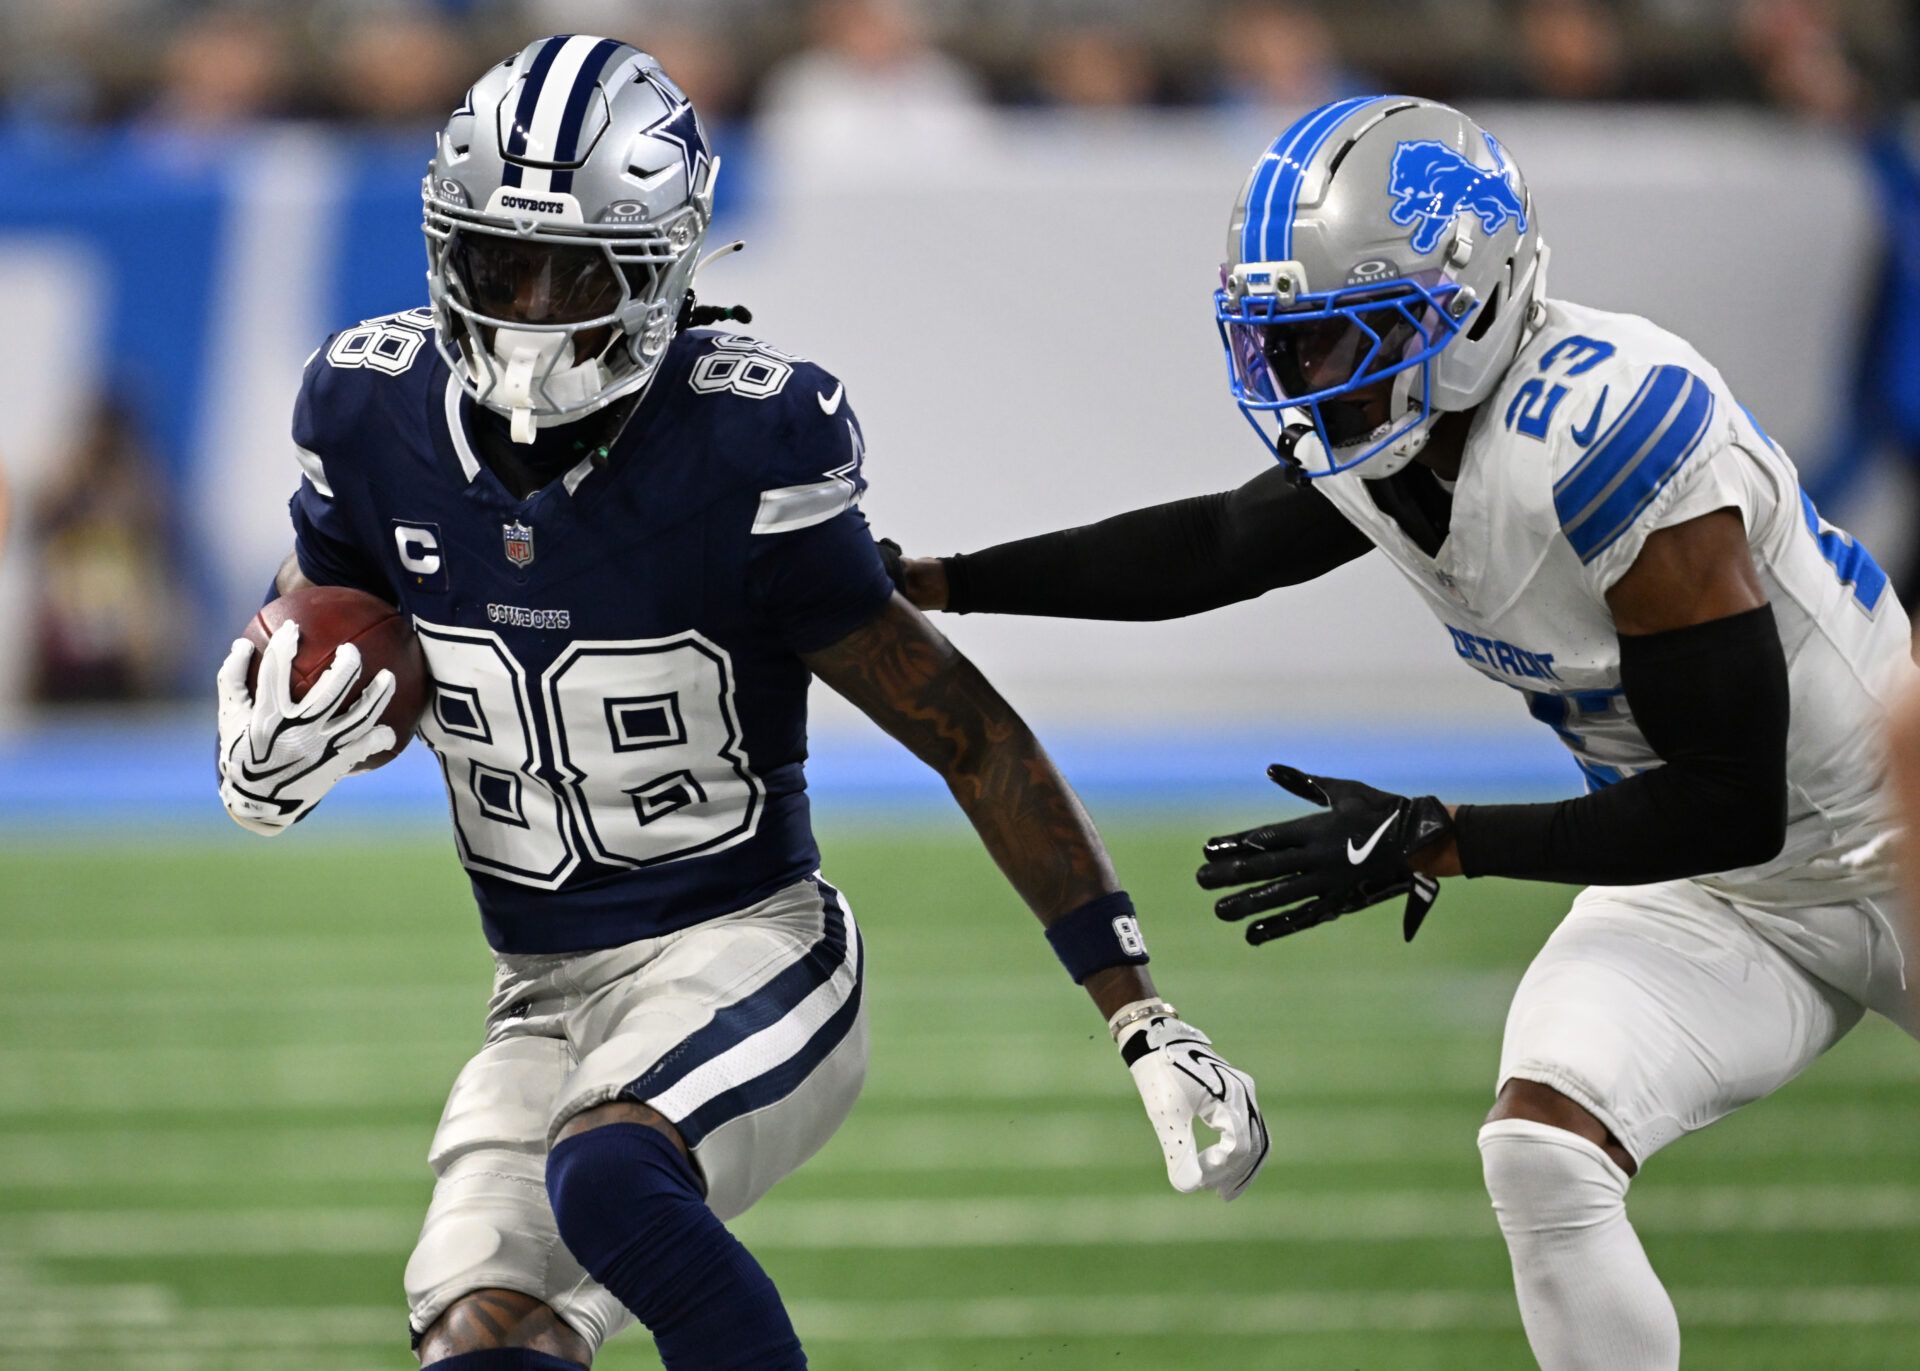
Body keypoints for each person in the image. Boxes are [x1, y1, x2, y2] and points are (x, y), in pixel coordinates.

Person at [212, 37, 1266, 1371]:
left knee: (607, 1169)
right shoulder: (371, 413)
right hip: (537, 991)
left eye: (577, 272)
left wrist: (1139, 1010)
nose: (533, 310)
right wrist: (265, 743)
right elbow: (316, 631)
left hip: (753, 944)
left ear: (663, 265)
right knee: (485, 1339)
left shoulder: (744, 444)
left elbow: (967, 729)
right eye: (501, 264)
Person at [888, 95, 1918, 1371]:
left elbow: (1729, 796)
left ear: (1473, 303)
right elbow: (1217, 546)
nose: (1302, 376)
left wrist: (1439, 840)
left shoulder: (1611, 428)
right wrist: (939, 580)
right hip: (1718, 891)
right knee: (1541, 1151)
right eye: (1290, 341)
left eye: (1333, 337)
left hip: (1891, 835)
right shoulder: (1403, 431)